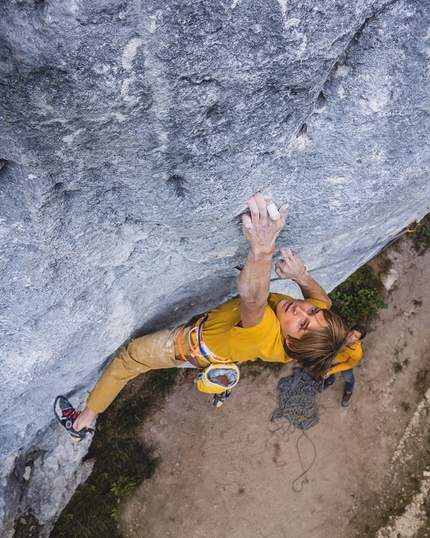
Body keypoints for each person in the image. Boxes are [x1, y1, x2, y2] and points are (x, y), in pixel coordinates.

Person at [55, 192, 346, 441]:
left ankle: (82, 423)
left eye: (303, 324)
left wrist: (262, 248)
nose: (301, 309)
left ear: (292, 344)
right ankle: (220, 382)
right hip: (229, 342)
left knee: (131, 358)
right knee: (233, 349)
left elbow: (253, 296)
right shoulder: (299, 340)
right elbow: (324, 302)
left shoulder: (264, 333)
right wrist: (302, 276)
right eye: (311, 312)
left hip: (193, 343)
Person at [322, 324, 367, 407]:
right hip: (334, 358)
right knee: (326, 371)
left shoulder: (357, 353)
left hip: (346, 364)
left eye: (355, 336)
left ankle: (349, 391)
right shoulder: (340, 334)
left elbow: (348, 364)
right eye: (352, 332)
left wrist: (331, 370)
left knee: (348, 377)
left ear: (358, 341)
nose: (351, 336)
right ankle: (329, 381)